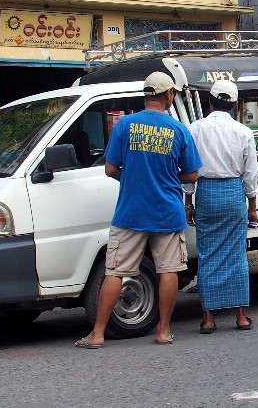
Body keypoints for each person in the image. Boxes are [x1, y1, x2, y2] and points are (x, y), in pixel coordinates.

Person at [74, 71, 202, 349]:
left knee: (116, 272)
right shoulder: (179, 130)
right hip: (167, 211)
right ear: (168, 95)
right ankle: (164, 331)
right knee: (168, 270)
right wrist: (169, 177)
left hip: (130, 211)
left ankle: (97, 334)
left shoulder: (125, 125)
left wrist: (131, 175)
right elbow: (192, 175)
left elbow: (110, 169)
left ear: (146, 96)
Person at [185, 79, 258, 333]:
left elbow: (190, 170)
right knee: (236, 254)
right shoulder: (243, 132)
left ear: (209, 103)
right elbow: (250, 175)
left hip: (206, 193)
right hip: (233, 193)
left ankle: (208, 319)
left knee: (208, 256)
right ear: (235, 104)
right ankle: (240, 316)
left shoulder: (195, 129)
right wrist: (252, 207)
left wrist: (188, 202)